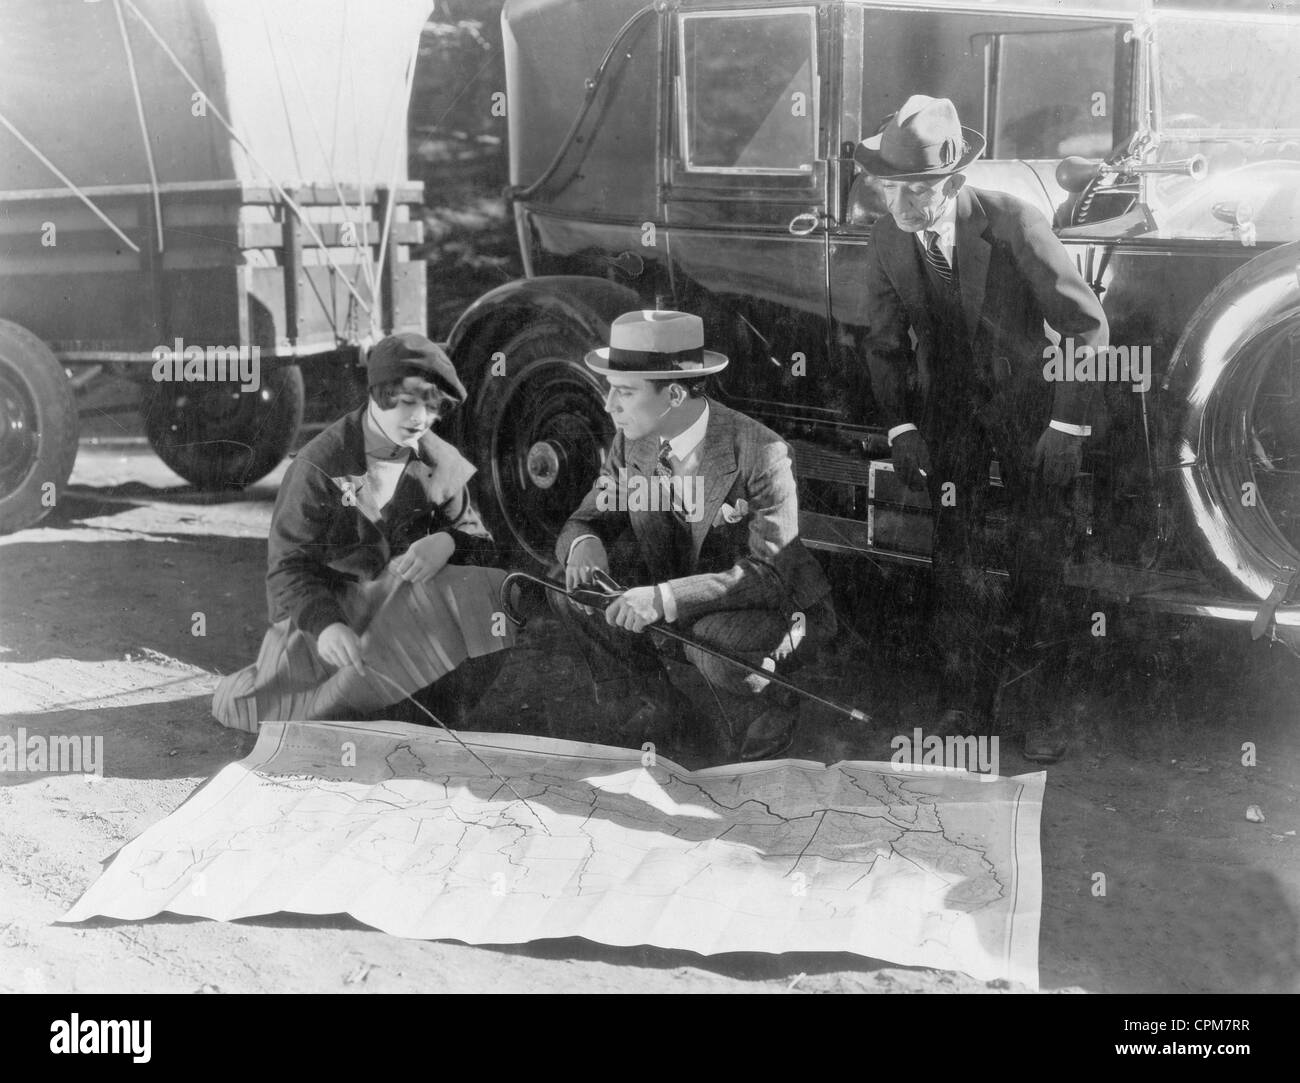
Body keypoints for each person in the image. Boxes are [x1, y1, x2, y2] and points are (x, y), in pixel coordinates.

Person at [855, 95, 1109, 763]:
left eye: (919, 188)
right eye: (892, 187)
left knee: (1038, 555)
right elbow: (882, 343)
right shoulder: (885, 238)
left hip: (1032, 416)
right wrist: (903, 425)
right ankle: (965, 705)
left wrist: (1066, 424)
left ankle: (1039, 709)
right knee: (956, 559)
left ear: (954, 180)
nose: (905, 203)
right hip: (948, 418)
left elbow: (1087, 326)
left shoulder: (1014, 222)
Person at [552, 309, 836, 761]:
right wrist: (585, 542)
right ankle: (658, 705)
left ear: (675, 394)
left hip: (772, 608)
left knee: (715, 647)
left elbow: (770, 575)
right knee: (573, 585)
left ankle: (772, 711)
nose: (609, 405)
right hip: (684, 597)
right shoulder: (633, 441)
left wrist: (662, 598)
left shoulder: (762, 452)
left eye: (624, 392)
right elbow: (586, 519)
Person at [213, 333, 514, 731]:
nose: (420, 419)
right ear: (378, 394)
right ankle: (361, 703)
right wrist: (326, 625)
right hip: (334, 622)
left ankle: (431, 707)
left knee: (491, 591)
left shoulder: (438, 460)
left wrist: (449, 541)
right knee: (293, 716)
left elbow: (483, 545)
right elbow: (288, 568)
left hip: (400, 618)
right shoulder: (319, 465)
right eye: (408, 402)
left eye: (431, 406)